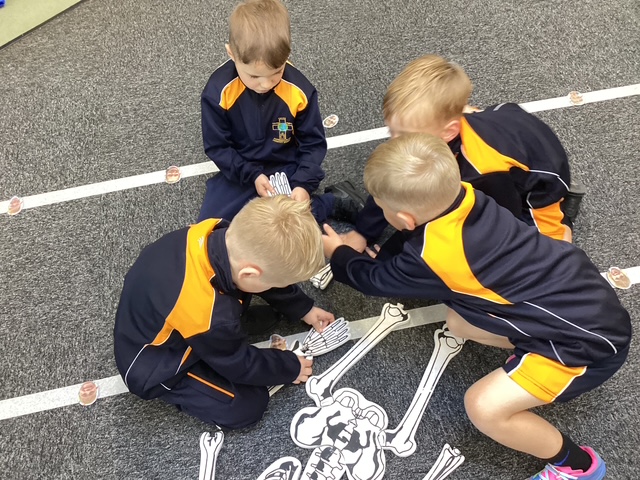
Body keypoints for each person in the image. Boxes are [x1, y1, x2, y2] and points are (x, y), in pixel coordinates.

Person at [322, 134, 630, 480]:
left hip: (586, 347)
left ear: (406, 220)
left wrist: (339, 253)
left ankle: (577, 466)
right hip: (585, 301)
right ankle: (528, 357)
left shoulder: (432, 258)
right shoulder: (469, 196)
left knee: (482, 407)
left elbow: (373, 281)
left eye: (381, 207)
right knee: (458, 322)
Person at [114, 196, 335, 430]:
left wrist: (303, 308)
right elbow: (239, 364)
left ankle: (225, 333)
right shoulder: (210, 314)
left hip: (161, 308)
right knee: (248, 406)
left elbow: (262, 274)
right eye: (274, 284)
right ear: (249, 274)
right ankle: (201, 367)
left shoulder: (218, 230)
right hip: (154, 365)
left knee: (234, 312)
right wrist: (288, 367)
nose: (273, 288)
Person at [343, 54, 584, 254]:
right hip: (505, 133)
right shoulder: (443, 127)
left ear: (449, 132)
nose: (395, 142)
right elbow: (391, 183)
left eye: (404, 134)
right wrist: (363, 232)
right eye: (391, 131)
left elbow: (500, 221)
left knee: (541, 255)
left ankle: (564, 215)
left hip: (538, 188)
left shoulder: (484, 171)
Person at [198, 0, 364, 224]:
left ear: (287, 56)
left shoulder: (299, 91)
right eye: (254, 76)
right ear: (231, 54)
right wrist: (252, 175)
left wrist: (302, 184)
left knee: (285, 225)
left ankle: (330, 202)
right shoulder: (218, 93)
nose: (265, 84)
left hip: (285, 166)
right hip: (240, 170)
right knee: (212, 227)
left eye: (276, 72)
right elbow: (218, 147)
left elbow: (313, 144)